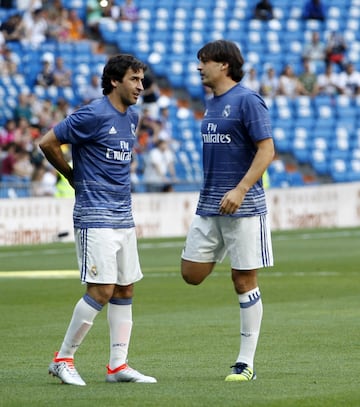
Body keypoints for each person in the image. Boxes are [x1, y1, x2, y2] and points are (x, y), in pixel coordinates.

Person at [39, 54, 157, 386]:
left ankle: (118, 366)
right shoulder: (92, 114)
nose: (140, 86)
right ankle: (63, 359)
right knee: (102, 288)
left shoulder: (132, 117)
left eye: (142, 80)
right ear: (115, 81)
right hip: (95, 215)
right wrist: (70, 175)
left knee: (124, 287)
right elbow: (47, 142)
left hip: (123, 215)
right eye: (134, 79)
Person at [181, 40, 274, 382]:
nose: (198, 67)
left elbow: (267, 150)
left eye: (203, 61)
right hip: (209, 205)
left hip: (244, 206)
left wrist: (241, 188)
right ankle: (225, 252)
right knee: (191, 274)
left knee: (243, 279)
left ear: (223, 65)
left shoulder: (248, 100)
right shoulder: (212, 103)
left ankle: (245, 362)